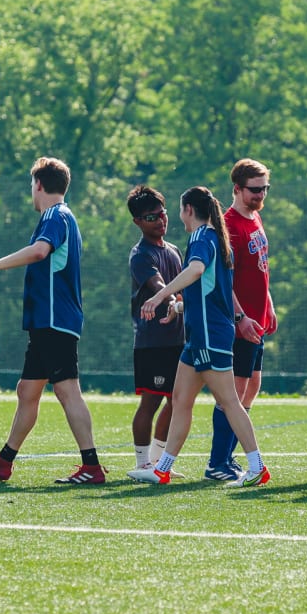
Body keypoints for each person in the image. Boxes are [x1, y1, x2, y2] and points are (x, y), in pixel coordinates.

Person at [0, 156, 106, 484]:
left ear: (39, 185)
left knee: (67, 390)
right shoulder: (61, 216)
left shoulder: (55, 215)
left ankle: (92, 466)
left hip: (55, 319)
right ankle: (4, 460)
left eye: (32, 185)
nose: (32, 191)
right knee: (27, 390)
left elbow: (39, 251)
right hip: (48, 320)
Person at [135, 187, 270, 486]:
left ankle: (257, 466)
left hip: (211, 337)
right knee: (181, 401)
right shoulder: (214, 238)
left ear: (188, 210)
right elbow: (210, 292)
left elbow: (196, 270)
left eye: (179, 210)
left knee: (230, 403)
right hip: (200, 337)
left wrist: (160, 296)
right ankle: (163, 468)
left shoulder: (201, 237)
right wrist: (180, 307)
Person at [205, 158, 276, 482]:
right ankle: (216, 463)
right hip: (239, 322)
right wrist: (240, 317)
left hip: (257, 319)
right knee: (233, 393)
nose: (261, 195)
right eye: (254, 190)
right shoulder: (229, 223)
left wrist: (269, 305)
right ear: (237, 188)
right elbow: (225, 280)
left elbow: (260, 268)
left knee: (251, 388)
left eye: (265, 189)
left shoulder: (255, 216)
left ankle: (229, 456)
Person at [125, 185, 184, 480]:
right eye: (151, 217)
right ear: (137, 221)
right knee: (151, 400)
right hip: (153, 340)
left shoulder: (173, 250)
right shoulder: (140, 255)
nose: (160, 220)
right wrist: (172, 300)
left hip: (177, 339)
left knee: (178, 399)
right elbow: (159, 286)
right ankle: (141, 462)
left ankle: (159, 462)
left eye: (162, 213)